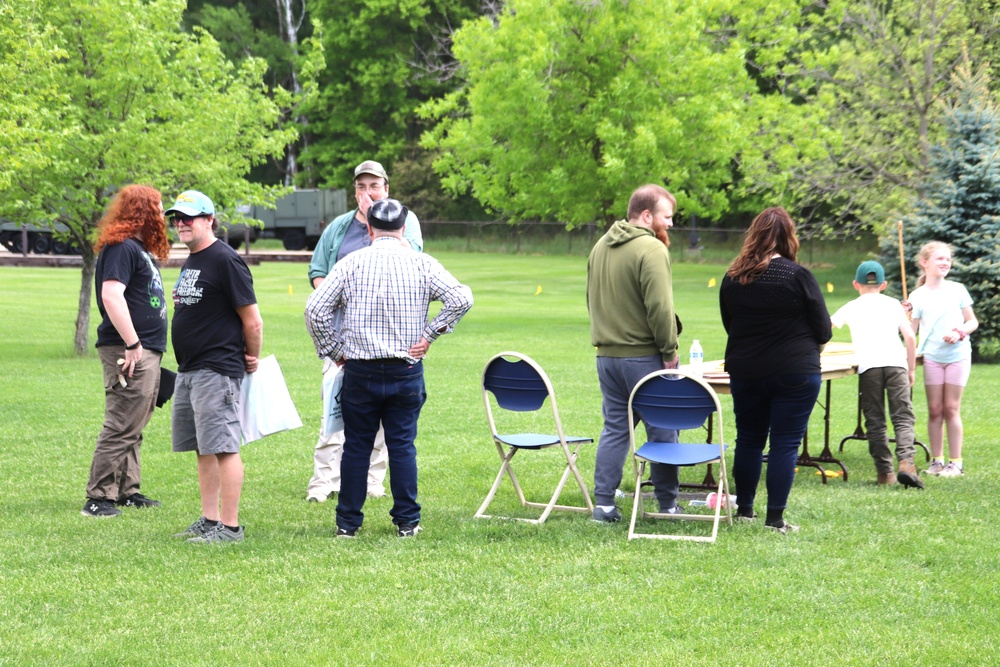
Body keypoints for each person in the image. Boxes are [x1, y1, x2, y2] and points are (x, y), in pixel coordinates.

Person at [304, 198, 472, 538]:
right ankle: (407, 522)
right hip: (406, 370)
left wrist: (334, 350)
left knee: (356, 446)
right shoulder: (423, 264)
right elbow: (461, 298)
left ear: (369, 227)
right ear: (403, 229)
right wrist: (429, 335)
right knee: (402, 446)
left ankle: (347, 523)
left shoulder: (351, 263)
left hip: (360, 370)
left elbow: (315, 310)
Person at [305, 160, 423, 503]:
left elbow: (413, 261)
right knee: (335, 408)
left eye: (374, 186)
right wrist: (335, 297)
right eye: (361, 187)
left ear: (386, 188)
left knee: (386, 425)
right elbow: (318, 270)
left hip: (390, 337)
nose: (367, 193)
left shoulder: (405, 220)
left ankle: (372, 482)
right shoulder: (340, 227)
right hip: (343, 338)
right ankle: (323, 483)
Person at [719, 207, 831, 534]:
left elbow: (731, 325)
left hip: (747, 368)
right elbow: (823, 330)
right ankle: (775, 519)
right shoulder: (798, 275)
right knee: (785, 444)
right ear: (789, 236)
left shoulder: (732, 277)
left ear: (752, 234)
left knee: (749, 440)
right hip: (795, 370)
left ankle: (745, 510)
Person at [167, 190, 263, 544]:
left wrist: (250, 355)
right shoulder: (193, 259)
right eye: (176, 218)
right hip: (190, 369)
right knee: (202, 446)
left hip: (216, 368)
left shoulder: (225, 260)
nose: (180, 223)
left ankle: (231, 527)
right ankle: (209, 520)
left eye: (188, 217)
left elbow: (252, 321)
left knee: (223, 445)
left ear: (209, 219)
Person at [586, 184, 682, 524]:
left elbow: (590, 299)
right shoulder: (651, 249)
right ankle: (668, 503)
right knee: (663, 428)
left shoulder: (600, 246)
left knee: (616, 428)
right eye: (666, 217)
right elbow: (660, 307)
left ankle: (604, 505)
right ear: (646, 215)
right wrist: (669, 349)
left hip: (607, 356)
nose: (670, 224)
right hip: (644, 356)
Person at [82, 185, 171, 518]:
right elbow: (111, 296)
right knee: (122, 422)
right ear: (143, 211)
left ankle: (127, 490)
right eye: (158, 209)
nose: (162, 216)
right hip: (128, 348)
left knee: (133, 422)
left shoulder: (136, 248)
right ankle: (98, 496)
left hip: (143, 348)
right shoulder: (121, 247)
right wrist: (133, 344)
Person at [831, 260, 923, 488]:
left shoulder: (851, 306)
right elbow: (910, 338)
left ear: (855, 284)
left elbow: (827, 327)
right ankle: (906, 463)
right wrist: (911, 368)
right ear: (884, 284)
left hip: (869, 367)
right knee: (902, 417)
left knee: (875, 421)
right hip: (896, 365)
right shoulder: (893, 304)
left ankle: (884, 473)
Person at [907, 241, 978, 478]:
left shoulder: (957, 289)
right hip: (933, 359)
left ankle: (955, 463)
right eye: (940, 259)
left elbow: (972, 321)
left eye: (947, 259)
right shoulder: (917, 295)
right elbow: (910, 331)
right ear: (924, 263)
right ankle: (937, 461)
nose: (945, 263)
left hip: (958, 356)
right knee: (935, 410)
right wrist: (905, 314)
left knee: (951, 408)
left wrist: (959, 332)